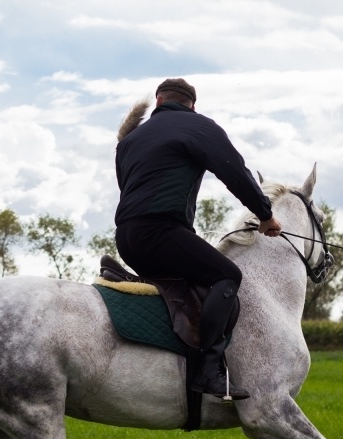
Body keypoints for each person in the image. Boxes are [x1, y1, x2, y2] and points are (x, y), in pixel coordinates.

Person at [114, 78, 282, 400]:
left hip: (127, 237)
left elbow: (129, 188)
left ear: (159, 101)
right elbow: (235, 171)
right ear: (192, 104)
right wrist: (264, 215)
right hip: (162, 232)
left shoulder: (129, 140)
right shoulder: (198, 126)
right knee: (227, 274)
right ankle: (209, 371)